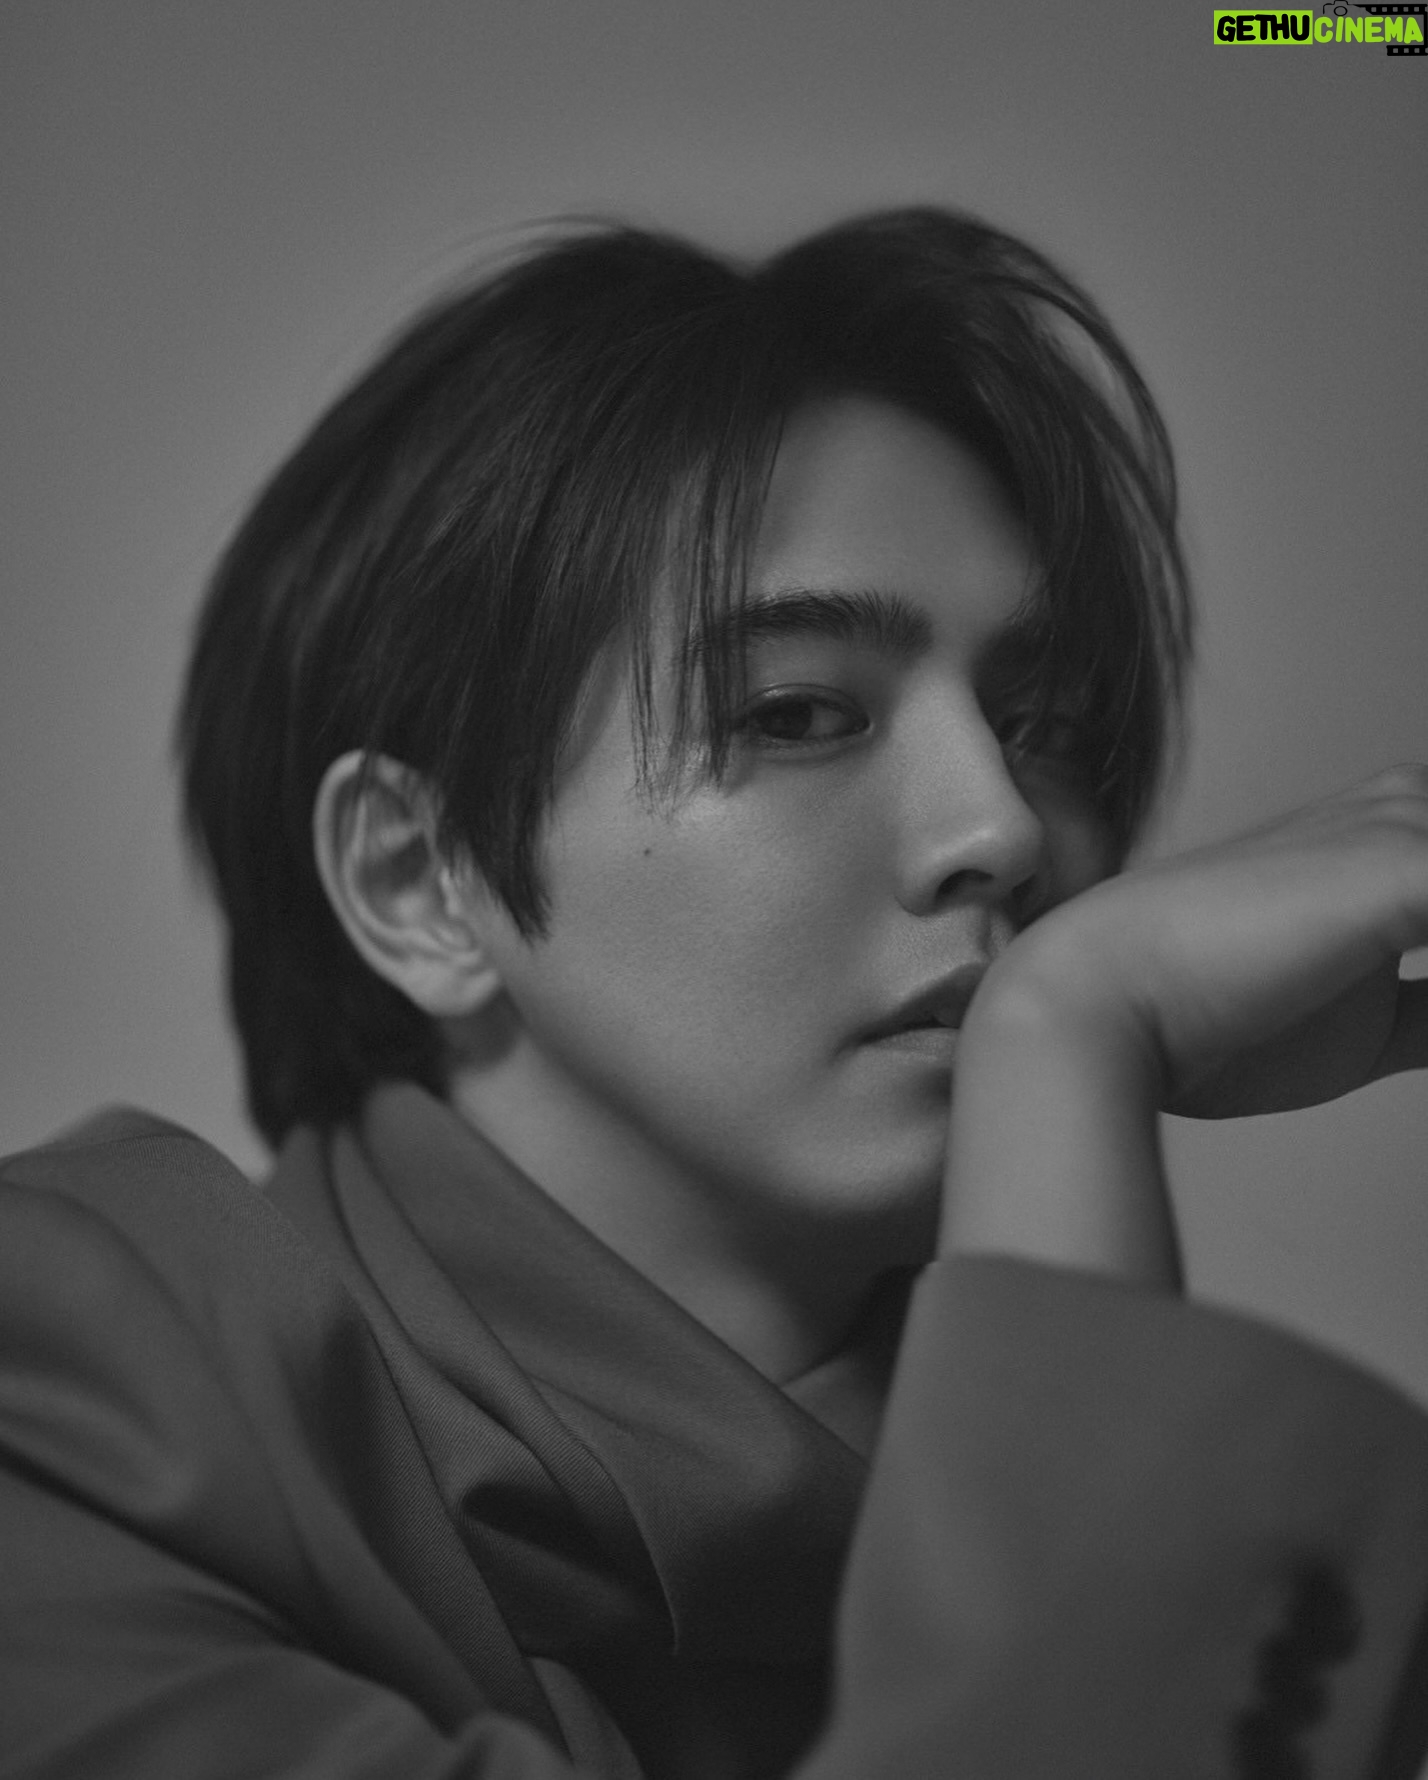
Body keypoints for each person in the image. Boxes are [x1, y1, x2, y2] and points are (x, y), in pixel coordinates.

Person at [2, 208, 1426, 1780]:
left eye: (1046, 726)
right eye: (801, 712)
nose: (1004, 828)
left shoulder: (1249, 1558)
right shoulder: (66, 1402)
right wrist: (1066, 1032)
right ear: (417, 880)